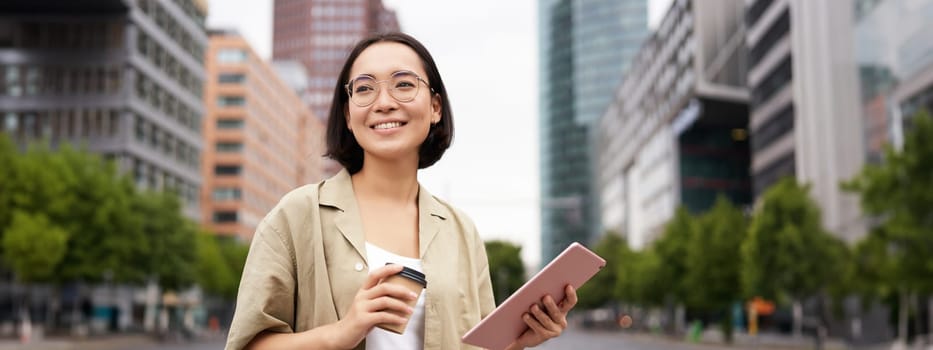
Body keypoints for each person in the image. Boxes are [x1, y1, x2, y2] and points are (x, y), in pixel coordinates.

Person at [224, 32, 578, 350]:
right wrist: (343, 332)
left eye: (404, 85)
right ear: (348, 114)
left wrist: (517, 341)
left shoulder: (461, 231)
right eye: (364, 88)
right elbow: (247, 343)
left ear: (435, 107)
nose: (384, 102)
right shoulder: (297, 215)